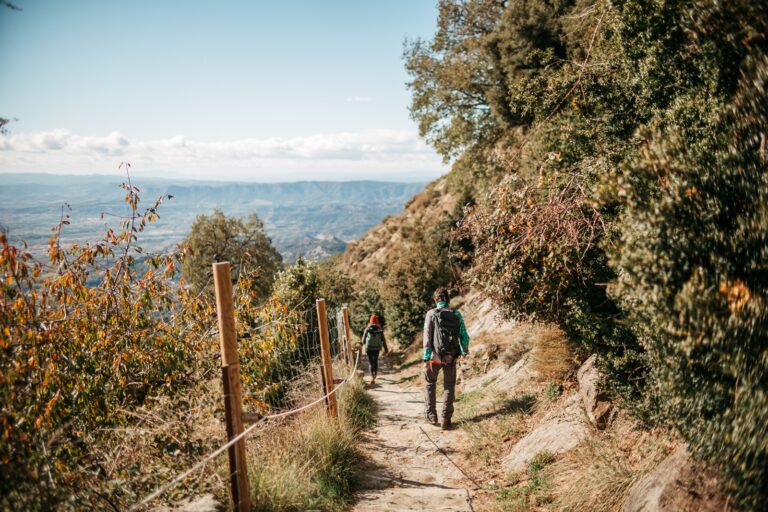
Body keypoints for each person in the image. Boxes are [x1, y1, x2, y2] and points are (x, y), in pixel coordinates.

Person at [423, 288, 470, 430]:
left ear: (436, 300)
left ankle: (431, 415)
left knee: (430, 383)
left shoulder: (431, 314)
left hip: (434, 357)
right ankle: (446, 419)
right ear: (448, 299)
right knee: (449, 386)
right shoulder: (456, 314)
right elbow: (464, 336)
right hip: (451, 356)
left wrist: (426, 357)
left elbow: (427, 337)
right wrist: (464, 351)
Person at [361, 314, 388, 384]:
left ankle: (372, 377)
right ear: (377, 321)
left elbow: (363, 340)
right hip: (376, 348)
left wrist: (361, 345)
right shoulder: (380, 330)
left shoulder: (367, 329)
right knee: (375, 361)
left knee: (370, 363)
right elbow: (383, 340)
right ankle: (375, 375)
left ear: (370, 321)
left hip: (369, 348)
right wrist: (386, 349)